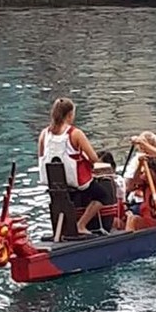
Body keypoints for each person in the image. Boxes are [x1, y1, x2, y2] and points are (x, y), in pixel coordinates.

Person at [37, 97, 111, 236]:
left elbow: (41, 156)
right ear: (70, 114)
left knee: (61, 199)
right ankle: (81, 225)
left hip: (54, 183)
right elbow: (94, 158)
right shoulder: (75, 133)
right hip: (75, 181)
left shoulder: (44, 134)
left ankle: (62, 229)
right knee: (102, 196)